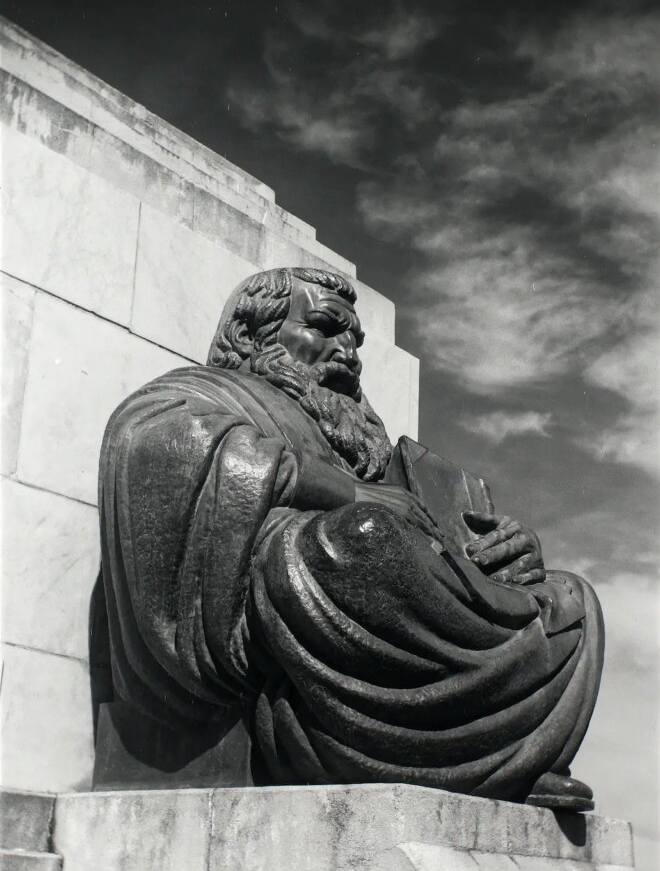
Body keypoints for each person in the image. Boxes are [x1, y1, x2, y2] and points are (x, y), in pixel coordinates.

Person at [95, 266, 603, 808]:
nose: (349, 354)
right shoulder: (202, 393)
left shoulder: (358, 439)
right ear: (248, 336)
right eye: (324, 327)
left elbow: (427, 541)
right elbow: (157, 445)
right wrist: (351, 495)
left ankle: (508, 755)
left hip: (391, 603)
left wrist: (499, 556)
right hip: (296, 618)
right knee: (362, 538)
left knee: (570, 596)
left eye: (355, 340)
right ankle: (465, 758)